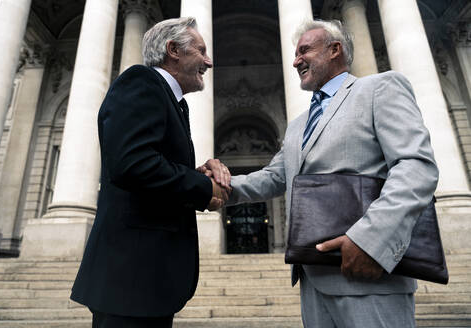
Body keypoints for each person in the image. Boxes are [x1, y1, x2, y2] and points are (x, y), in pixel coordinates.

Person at [201, 19, 438, 327]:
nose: (296, 60)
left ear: (334, 50)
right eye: (295, 53)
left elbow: (416, 167)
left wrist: (369, 240)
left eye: (304, 51)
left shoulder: (380, 88)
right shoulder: (300, 123)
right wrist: (209, 185)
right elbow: (275, 176)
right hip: (313, 276)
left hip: (368, 271)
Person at [70, 17, 230, 328]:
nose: (209, 62)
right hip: (130, 278)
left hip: (147, 279)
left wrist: (199, 175)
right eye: (201, 51)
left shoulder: (170, 99)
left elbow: (148, 166)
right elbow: (131, 163)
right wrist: (200, 187)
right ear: (173, 50)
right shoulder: (141, 82)